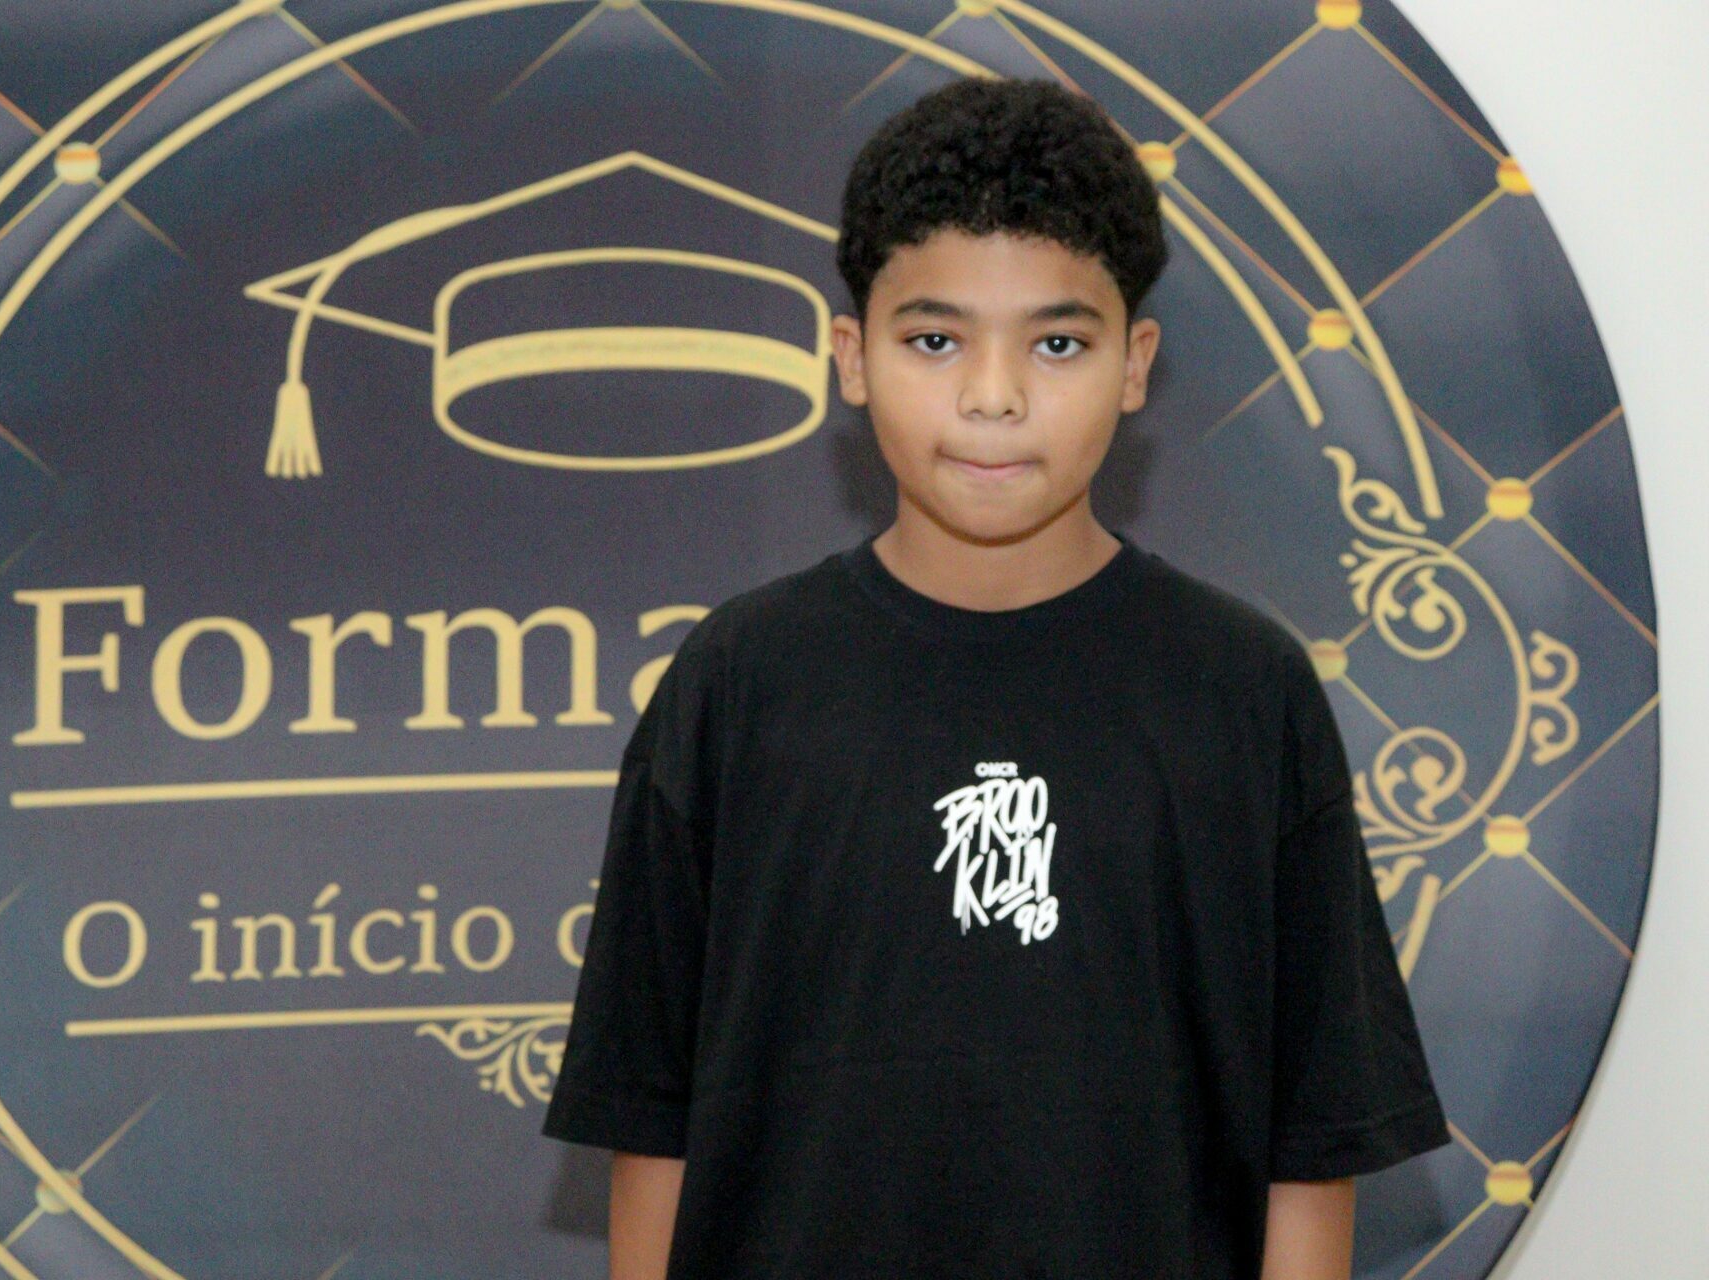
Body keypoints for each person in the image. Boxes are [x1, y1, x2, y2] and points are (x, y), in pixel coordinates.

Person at [540, 77, 1451, 1280]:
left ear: (1136, 363)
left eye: (1057, 342)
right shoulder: (735, 685)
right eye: (935, 339)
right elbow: (652, 1125)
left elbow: (1312, 1146)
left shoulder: (1245, 691)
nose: (993, 394)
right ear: (851, 356)